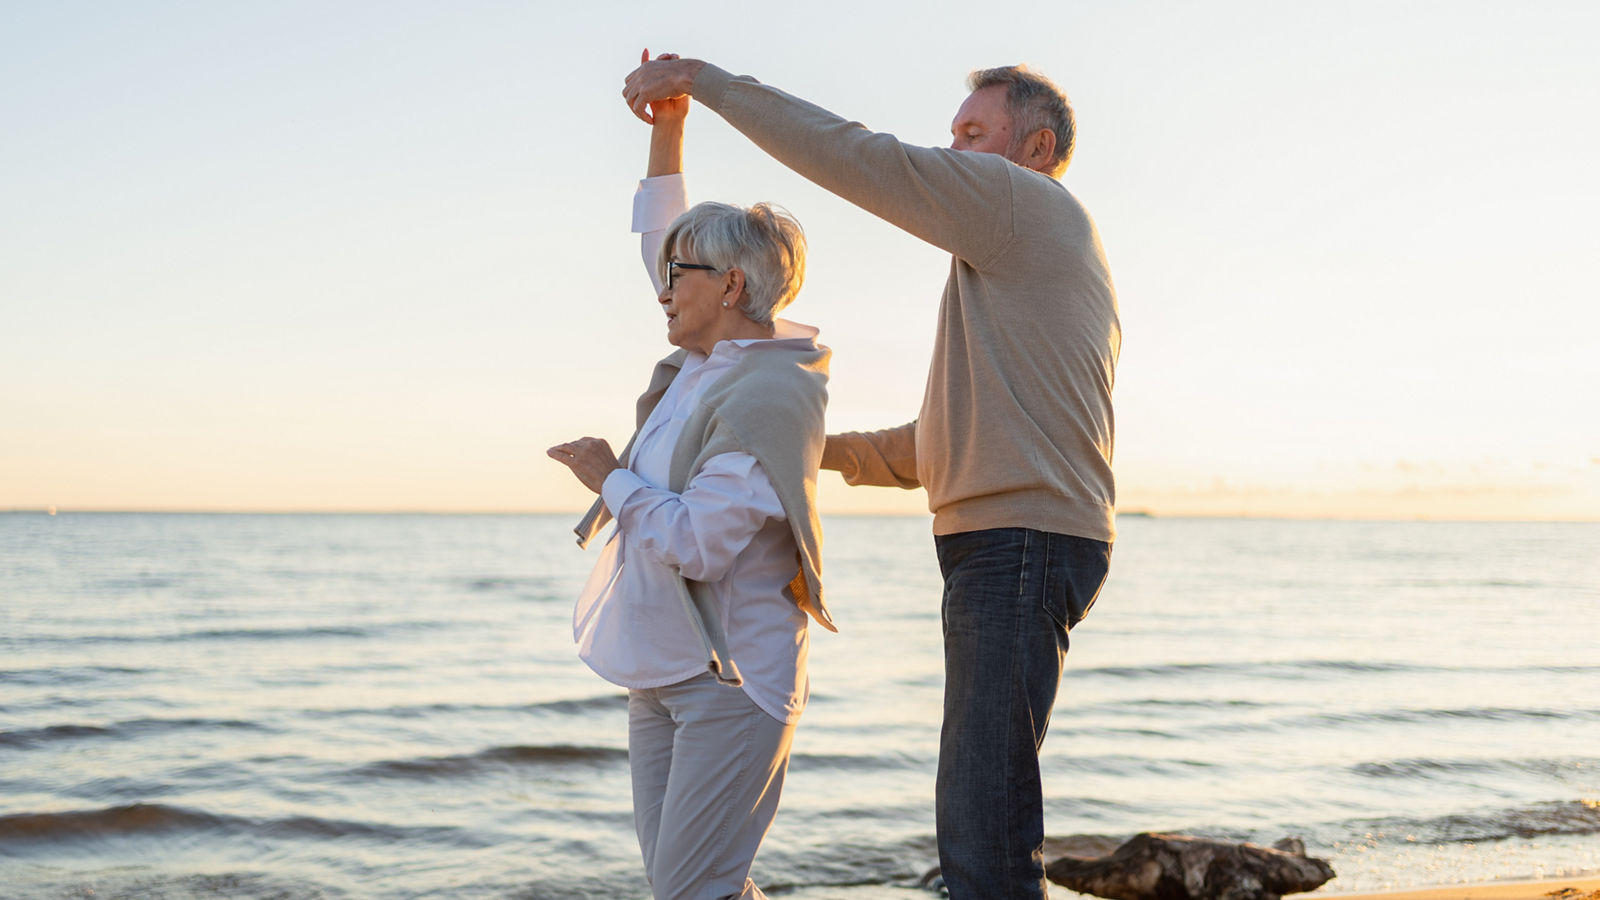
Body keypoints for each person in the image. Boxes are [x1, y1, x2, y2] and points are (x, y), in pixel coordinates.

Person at [622, 58, 1119, 900]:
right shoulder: (1009, 263)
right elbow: (937, 447)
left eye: (972, 134)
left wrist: (709, 83)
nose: (948, 148)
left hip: (1020, 543)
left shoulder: (1023, 208)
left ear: (1036, 150)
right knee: (977, 809)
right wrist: (795, 443)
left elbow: (859, 156)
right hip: (1006, 539)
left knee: (984, 825)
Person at [548, 52, 831, 900]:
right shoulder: (706, 366)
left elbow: (700, 544)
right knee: (697, 887)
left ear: (733, 284)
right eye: (667, 274)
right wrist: (668, 133)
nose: (663, 289)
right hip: (664, 676)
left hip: (730, 683)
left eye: (682, 277)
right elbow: (657, 243)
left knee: (689, 892)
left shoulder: (767, 394)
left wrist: (612, 481)